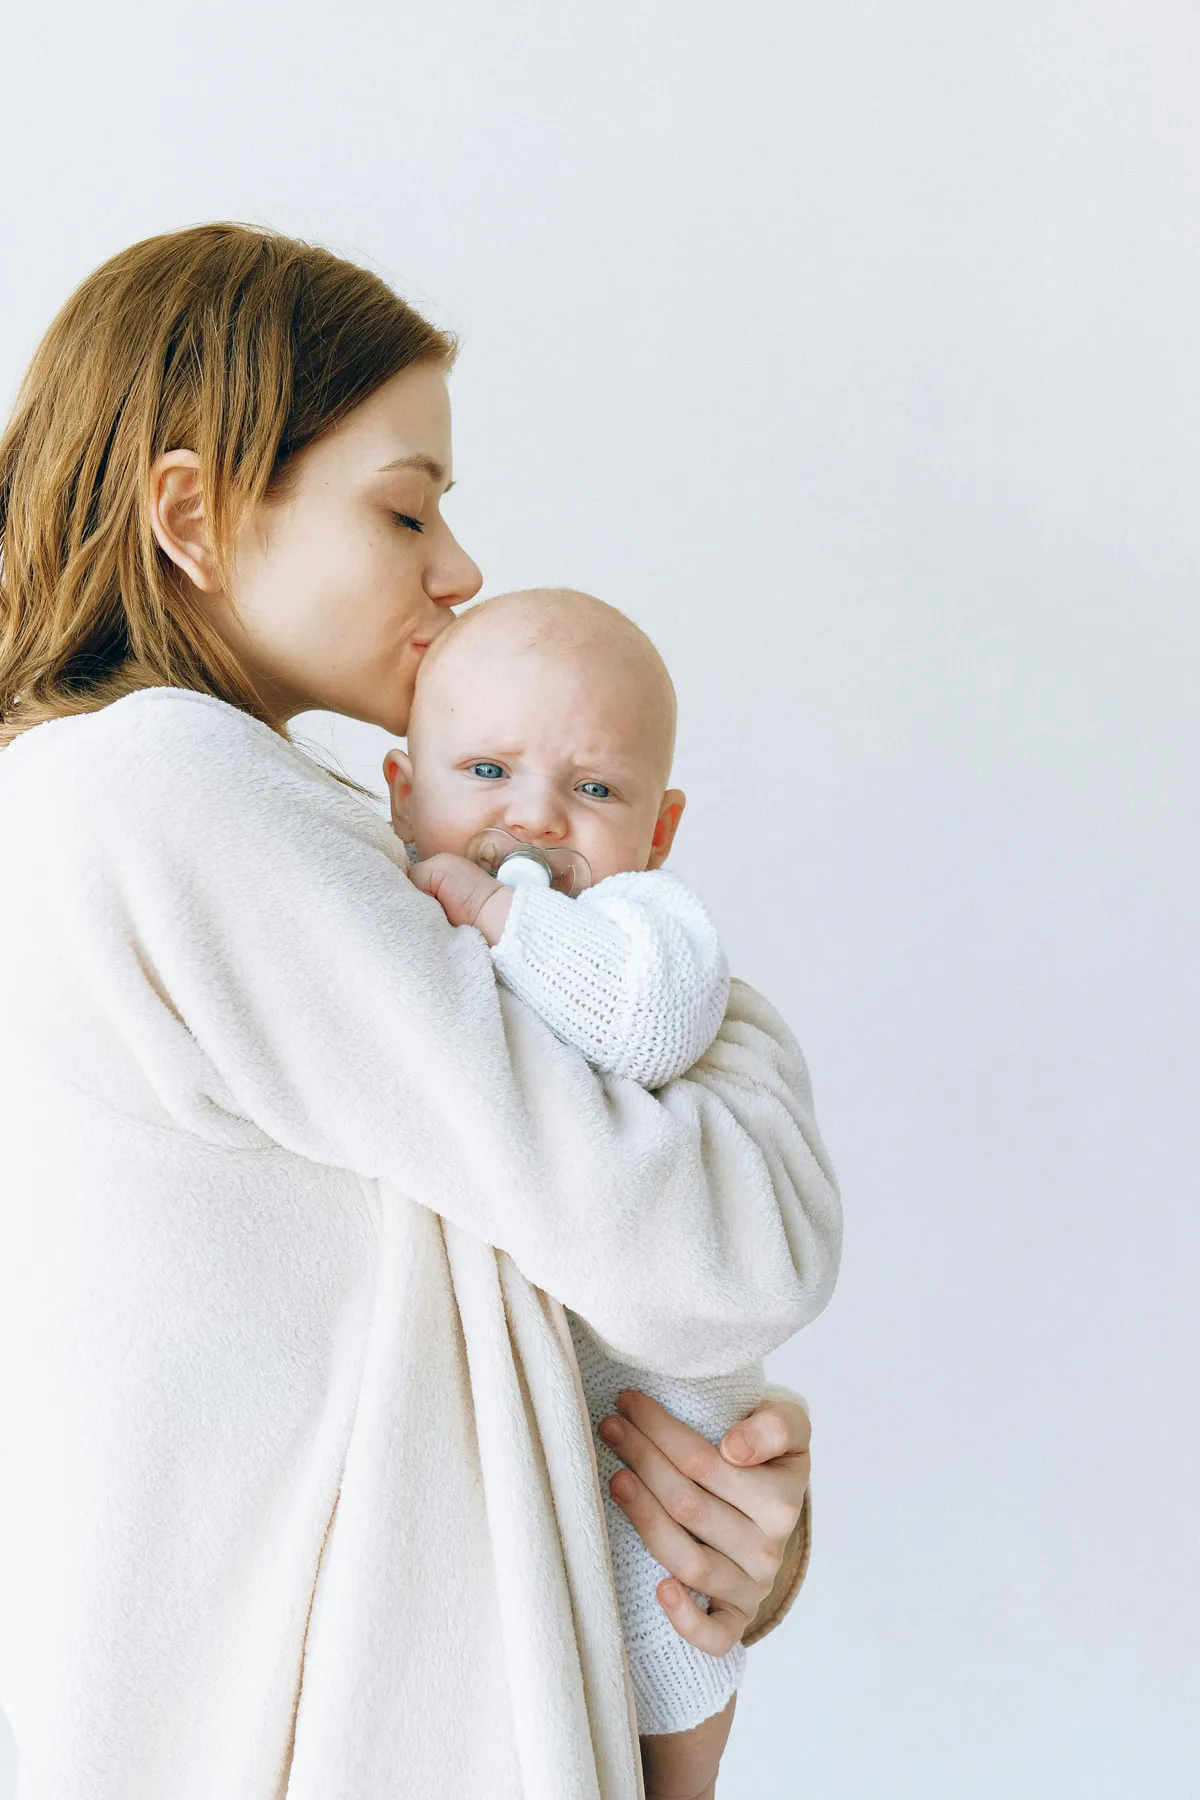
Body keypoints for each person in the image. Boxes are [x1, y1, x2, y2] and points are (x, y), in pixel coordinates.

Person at [0, 223, 842, 1800]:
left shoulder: (138, 822)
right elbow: (733, 1256)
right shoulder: (166, 793)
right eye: (404, 506)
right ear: (188, 512)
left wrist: (705, 1533)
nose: (458, 569)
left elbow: (535, 1277)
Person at [384, 584, 832, 1757]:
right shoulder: (371, 917)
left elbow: (640, 1025)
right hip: (509, 1507)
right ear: (399, 790)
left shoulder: (649, 931)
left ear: (660, 834)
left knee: (677, 1650)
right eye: (486, 771)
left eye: (594, 791)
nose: (534, 821)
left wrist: (502, 917)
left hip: (661, 1431)